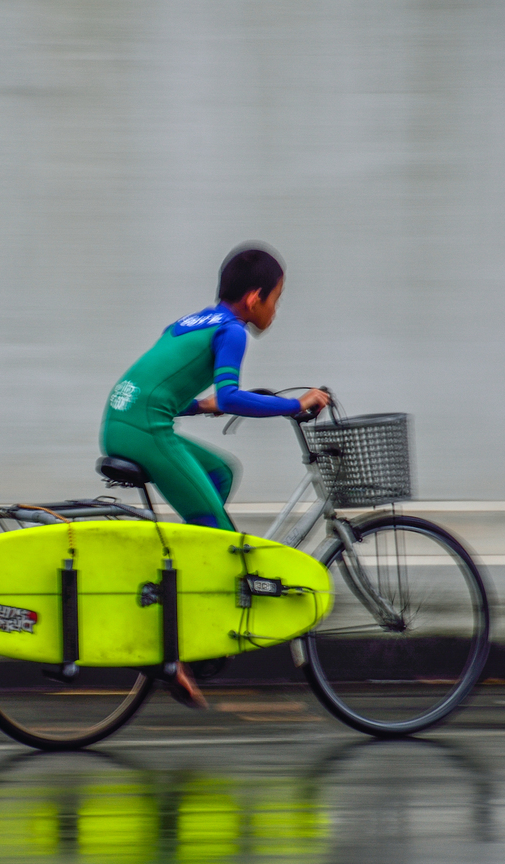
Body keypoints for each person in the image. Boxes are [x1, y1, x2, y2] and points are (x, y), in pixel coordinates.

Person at [100, 243, 331, 708]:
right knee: (225, 540)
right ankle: (175, 652)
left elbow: (160, 387)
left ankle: (184, 574)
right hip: (145, 431)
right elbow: (229, 395)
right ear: (254, 298)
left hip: (122, 422)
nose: (275, 310)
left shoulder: (191, 322)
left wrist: (200, 406)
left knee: (220, 473)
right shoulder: (232, 331)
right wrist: (295, 403)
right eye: (276, 299)